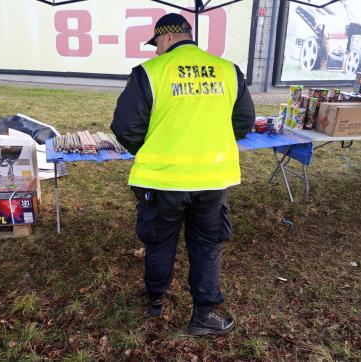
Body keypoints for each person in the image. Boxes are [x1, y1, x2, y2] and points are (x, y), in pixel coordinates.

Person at [110, 13, 255, 336]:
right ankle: (204, 316)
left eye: (156, 44)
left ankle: (155, 300)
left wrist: (151, 145)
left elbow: (125, 128)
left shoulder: (150, 73)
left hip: (162, 179)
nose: (156, 51)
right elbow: (244, 121)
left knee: (160, 242)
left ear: (168, 38)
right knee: (207, 245)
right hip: (214, 179)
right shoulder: (227, 70)